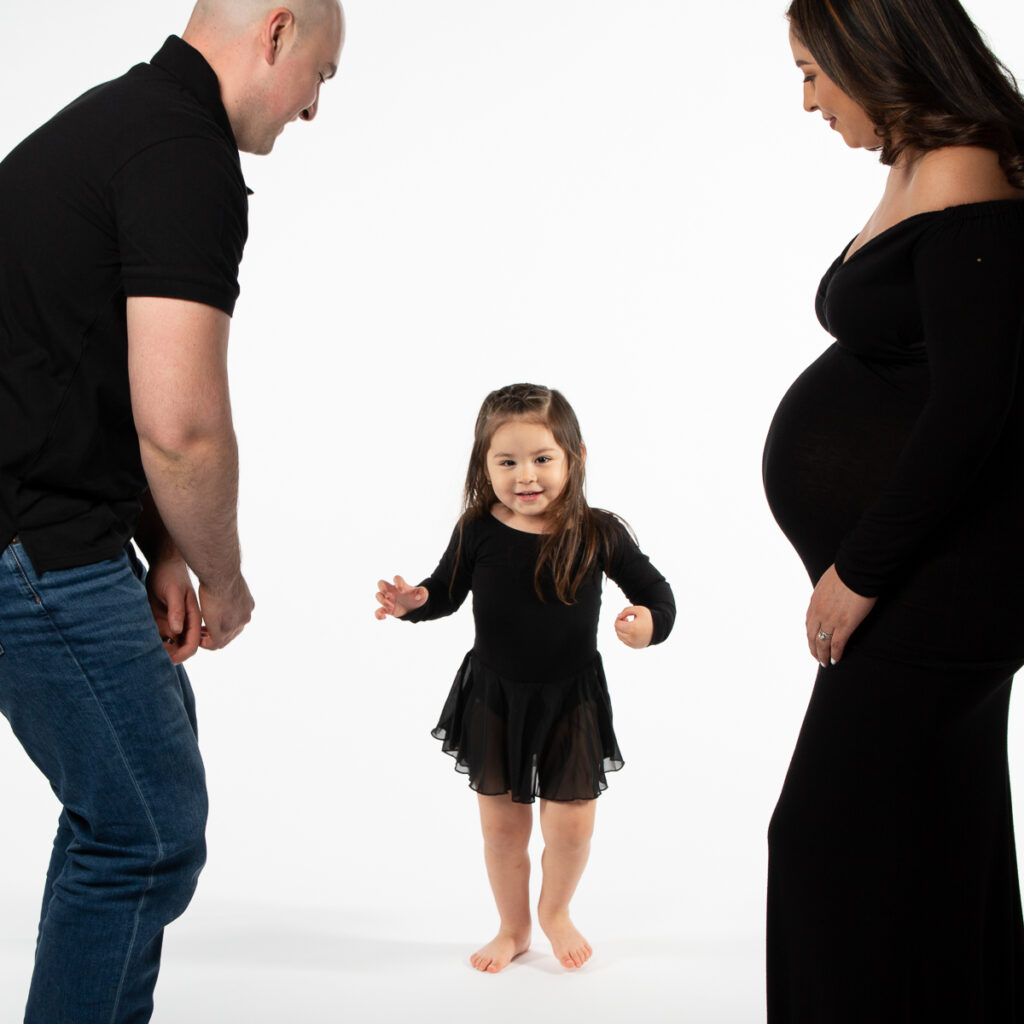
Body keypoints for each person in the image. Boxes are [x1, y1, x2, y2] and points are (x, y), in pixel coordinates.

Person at [0, 2, 344, 1021]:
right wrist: (224, 575)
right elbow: (181, 425)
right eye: (323, 75)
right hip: (36, 543)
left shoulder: (113, 124)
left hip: (53, 528)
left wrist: (159, 547)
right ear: (277, 32)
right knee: (143, 829)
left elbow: (67, 365)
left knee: (130, 813)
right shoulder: (180, 153)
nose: (316, 109)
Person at [762, 0, 1024, 1018]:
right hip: (941, 580)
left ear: (872, 52)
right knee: (937, 830)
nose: (807, 98)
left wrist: (863, 570)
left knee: (829, 838)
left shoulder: (966, 167)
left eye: (813, 71)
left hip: (941, 586)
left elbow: (974, 407)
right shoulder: (927, 164)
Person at [374, 383, 675, 974]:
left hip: (572, 699)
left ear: (575, 456)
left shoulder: (598, 531)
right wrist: (415, 601)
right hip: (494, 697)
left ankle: (555, 910)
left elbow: (657, 594)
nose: (525, 476)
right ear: (483, 465)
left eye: (542, 459)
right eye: (506, 461)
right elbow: (445, 592)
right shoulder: (478, 529)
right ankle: (513, 928)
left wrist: (649, 624)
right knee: (503, 832)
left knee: (571, 829)